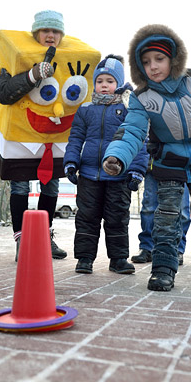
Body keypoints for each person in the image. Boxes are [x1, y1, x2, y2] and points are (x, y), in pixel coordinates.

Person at [102, 23, 191, 292]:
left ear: (174, 58)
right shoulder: (143, 97)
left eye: (159, 59)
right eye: (146, 62)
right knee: (166, 217)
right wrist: (116, 157)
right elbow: (132, 130)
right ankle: (163, 267)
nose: (153, 66)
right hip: (168, 163)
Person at [63, 55, 148, 274]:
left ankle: (118, 259)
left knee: (117, 218)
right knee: (86, 217)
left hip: (118, 175)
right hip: (90, 174)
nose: (104, 86)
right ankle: (84, 258)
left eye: (109, 82)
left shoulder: (129, 109)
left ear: (118, 84)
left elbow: (138, 140)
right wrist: (71, 162)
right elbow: (75, 139)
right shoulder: (86, 110)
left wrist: (137, 170)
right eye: (100, 81)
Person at [0, 10, 67, 261]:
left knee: (52, 183)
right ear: (36, 33)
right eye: (46, 30)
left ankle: (44, 237)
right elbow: (2, 93)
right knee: (21, 185)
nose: (51, 35)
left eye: (56, 31)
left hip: (53, 136)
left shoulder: (69, 58)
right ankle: (21, 239)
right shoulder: (15, 55)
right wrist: (32, 75)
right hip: (22, 135)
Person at [132, 166, 191, 265]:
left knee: (182, 210)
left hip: (182, 166)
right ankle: (147, 247)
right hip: (154, 165)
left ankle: (178, 249)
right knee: (149, 207)